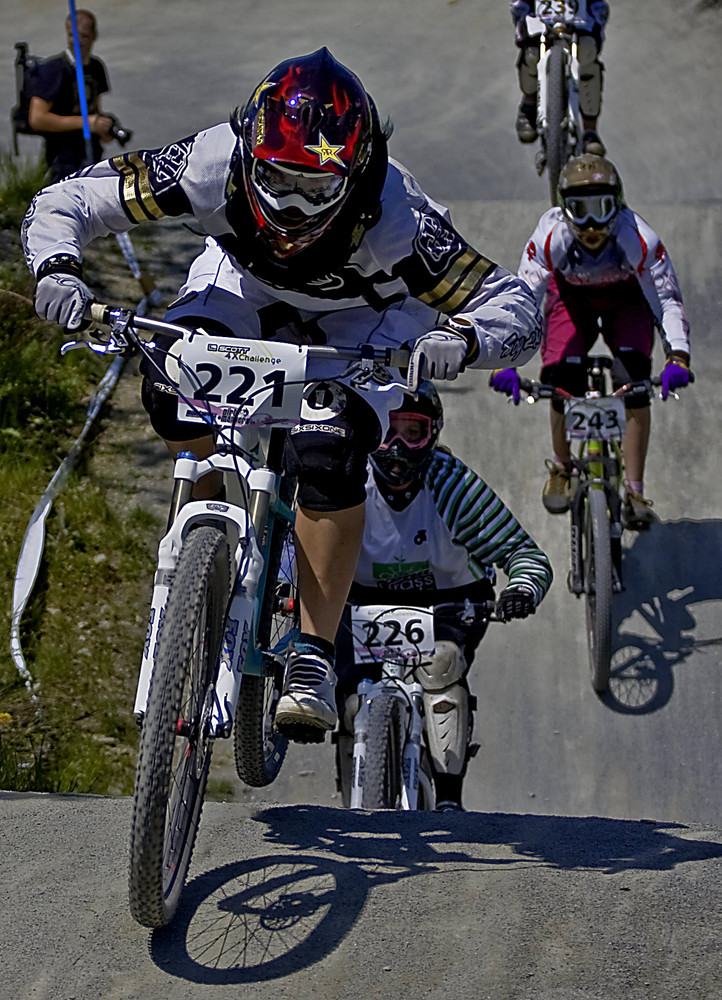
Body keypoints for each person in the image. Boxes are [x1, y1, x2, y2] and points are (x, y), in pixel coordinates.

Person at [23, 47, 543, 744]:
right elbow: (73, 196)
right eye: (276, 179)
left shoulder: (400, 219)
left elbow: (513, 304)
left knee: (330, 449)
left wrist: (466, 339)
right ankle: (217, 514)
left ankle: (313, 656)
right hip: (245, 292)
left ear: (356, 175)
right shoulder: (210, 162)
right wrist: (57, 269)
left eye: (315, 188)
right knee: (166, 383)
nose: (292, 207)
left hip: (370, 324)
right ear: (247, 155)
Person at [333, 382, 553, 811]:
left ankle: (450, 798)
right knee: (349, 699)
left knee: (442, 667)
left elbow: (524, 555)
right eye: (385, 429)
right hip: (355, 600)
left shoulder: (450, 485)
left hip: (451, 600)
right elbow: (295, 545)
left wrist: (522, 589)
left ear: (432, 434)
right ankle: (352, 793)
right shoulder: (345, 478)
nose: (396, 446)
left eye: (411, 432)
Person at [490, 153, 691, 527]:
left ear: (618, 204)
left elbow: (665, 299)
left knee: (633, 382)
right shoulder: (550, 236)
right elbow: (523, 301)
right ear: (563, 209)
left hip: (626, 301)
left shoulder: (639, 237)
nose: (591, 223)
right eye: (579, 210)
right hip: (572, 301)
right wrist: (505, 359)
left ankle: (633, 488)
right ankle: (563, 465)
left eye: (601, 207)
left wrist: (677, 356)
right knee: (560, 378)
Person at [27, 9, 116, 181]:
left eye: (84, 36)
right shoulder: (54, 69)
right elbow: (37, 118)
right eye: (72, 35)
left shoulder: (96, 68)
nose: (78, 42)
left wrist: (104, 127)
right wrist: (86, 123)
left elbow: (95, 108)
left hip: (91, 152)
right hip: (61, 156)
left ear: (94, 36)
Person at [510, 0, 609, 153]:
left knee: (587, 49)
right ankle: (529, 103)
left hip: (583, 8)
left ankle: (590, 131)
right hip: (534, 9)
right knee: (532, 53)